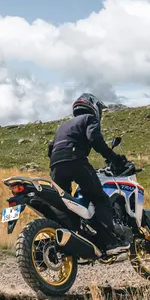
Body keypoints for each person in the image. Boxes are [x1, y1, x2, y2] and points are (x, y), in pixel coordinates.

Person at [47, 93, 130, 256]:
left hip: (55, 165)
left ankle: (73, 239)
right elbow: (95, 139)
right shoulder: (89, 119)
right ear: (93, 106)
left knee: (65, 204)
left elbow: (51, 148)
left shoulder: (63, 125)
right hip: (75, 159)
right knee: (100, 198)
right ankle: (109, 243)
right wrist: (113, 157)